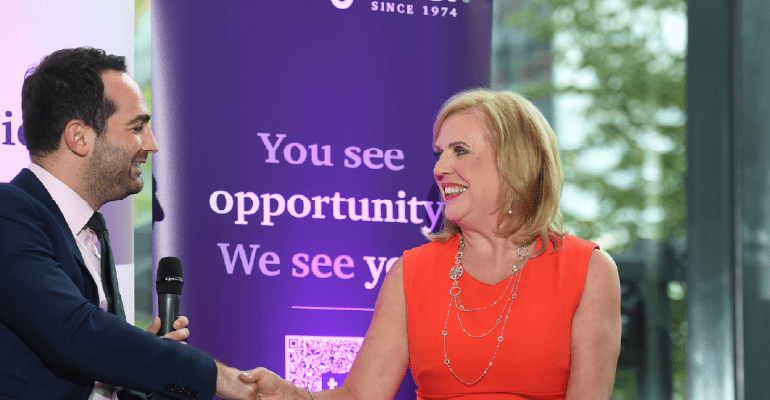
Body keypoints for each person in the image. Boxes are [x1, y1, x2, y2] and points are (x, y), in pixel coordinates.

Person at [242, 89, 622, 399]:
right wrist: (293, 396)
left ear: (515, 161)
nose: (440, 169)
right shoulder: (412, 272)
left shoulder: (588, 270)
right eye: (439, 153)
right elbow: (359, 396)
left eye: (460, 150)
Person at [0, 48, 256, 399]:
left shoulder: (92, 231)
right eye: (137, 127)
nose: (151, 144)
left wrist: (133, 371)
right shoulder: (7, 211)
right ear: (79, 137)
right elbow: (75, 334)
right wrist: (225, 382)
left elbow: (87, 366)